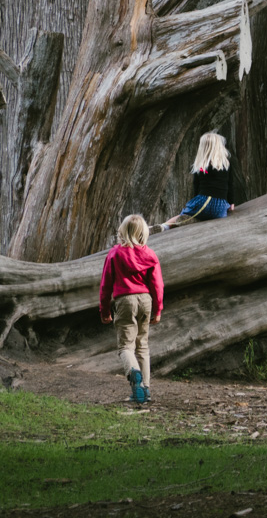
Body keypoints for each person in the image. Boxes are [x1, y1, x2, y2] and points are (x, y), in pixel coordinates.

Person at [99, 214, 164, 405]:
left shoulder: (115, 254)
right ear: (143, 232)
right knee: (142, 345)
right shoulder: (150, 255)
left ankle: (133, 372)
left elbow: (105, 285)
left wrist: (104, 311)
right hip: (145, 300)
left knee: (126, 347)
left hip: (124, 300)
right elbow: (158, 285)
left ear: (122, 231)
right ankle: (145, 389)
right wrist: (158, 309)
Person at [155, 131, 238, 232]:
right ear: (219, 148)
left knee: (183, 214)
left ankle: (164, 226)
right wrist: (231, 203)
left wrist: (195, 201)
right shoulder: (225, 165)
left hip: (203, 203)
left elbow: (196, 185)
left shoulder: (201, 167)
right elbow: (230, 184)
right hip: (220, 207)